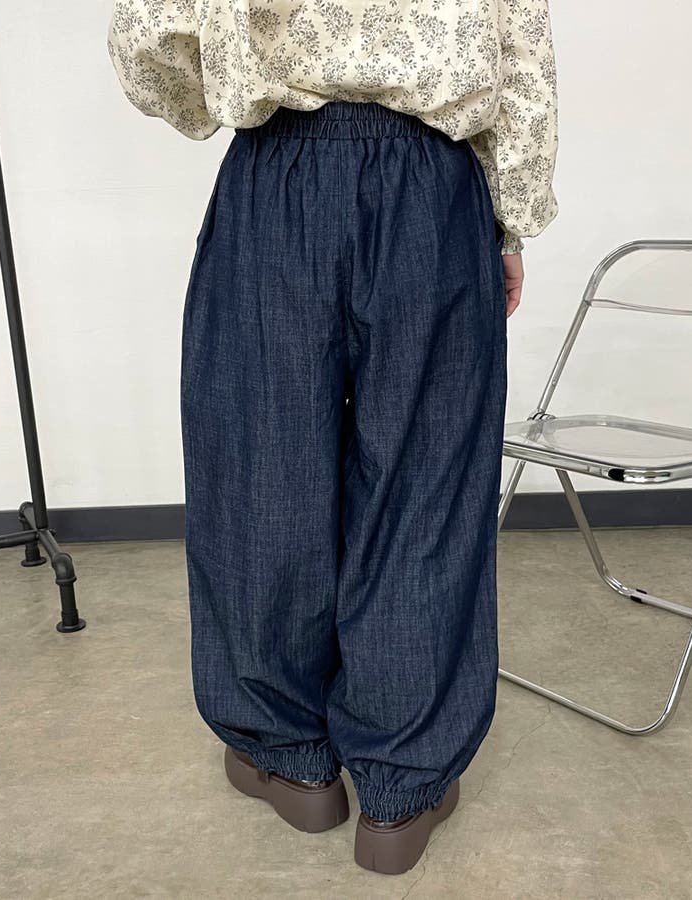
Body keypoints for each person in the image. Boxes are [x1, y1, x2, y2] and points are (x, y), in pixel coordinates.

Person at [107, 0, 558, 875]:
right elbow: (522, 55)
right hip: (434, 189)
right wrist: (509, 218)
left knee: (261, 470)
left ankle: (289, 759)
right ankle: (402, 786)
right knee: (425, 485)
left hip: (279, 179)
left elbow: (150, 33)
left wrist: (216, 86)